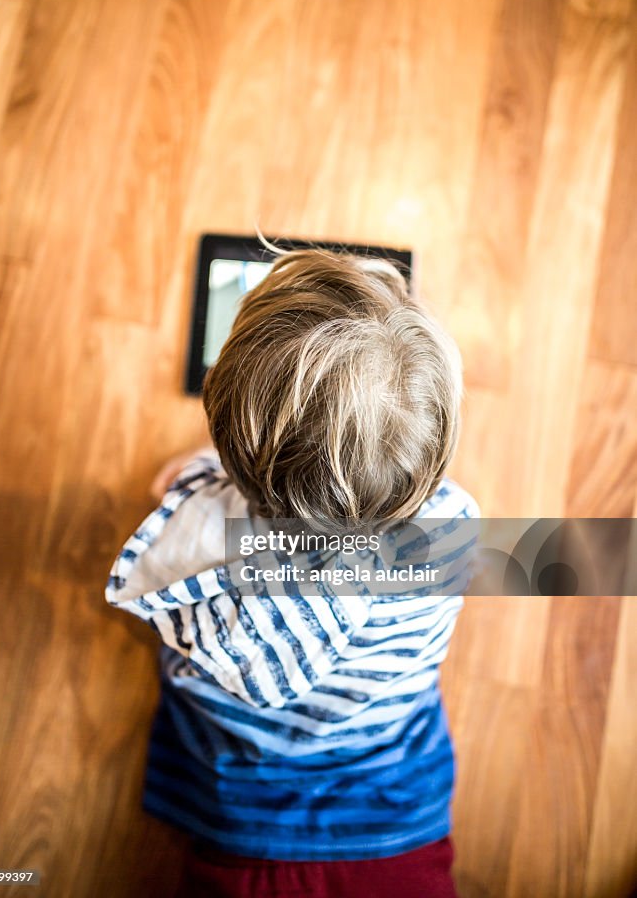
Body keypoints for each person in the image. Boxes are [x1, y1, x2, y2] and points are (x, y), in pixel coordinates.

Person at [105, 246, 479, 897]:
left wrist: (199, 473)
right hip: (393, 807)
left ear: (236, 444)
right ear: (428, 464)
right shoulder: (453, 524)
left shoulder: (204, 535)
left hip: (242, 821)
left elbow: (166, 484)